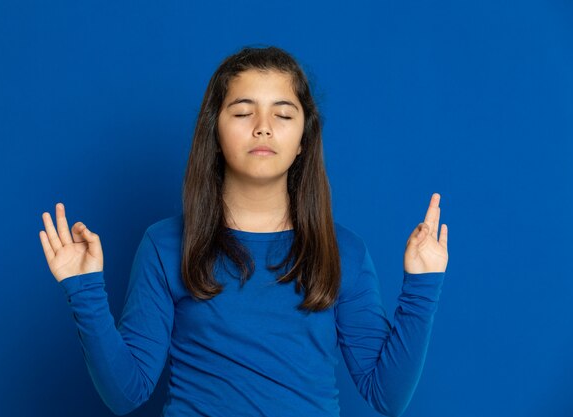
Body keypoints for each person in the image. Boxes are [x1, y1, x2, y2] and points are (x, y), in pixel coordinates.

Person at [39, 46, 449, 417]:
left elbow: (387, 396)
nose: (263, 127)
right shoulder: (165, 246)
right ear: (214, 133)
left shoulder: (344, 252)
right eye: (242, 112)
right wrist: (85, 289)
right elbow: (125, 394)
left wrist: (422, 285)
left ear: (304, 139)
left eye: (283, 114)